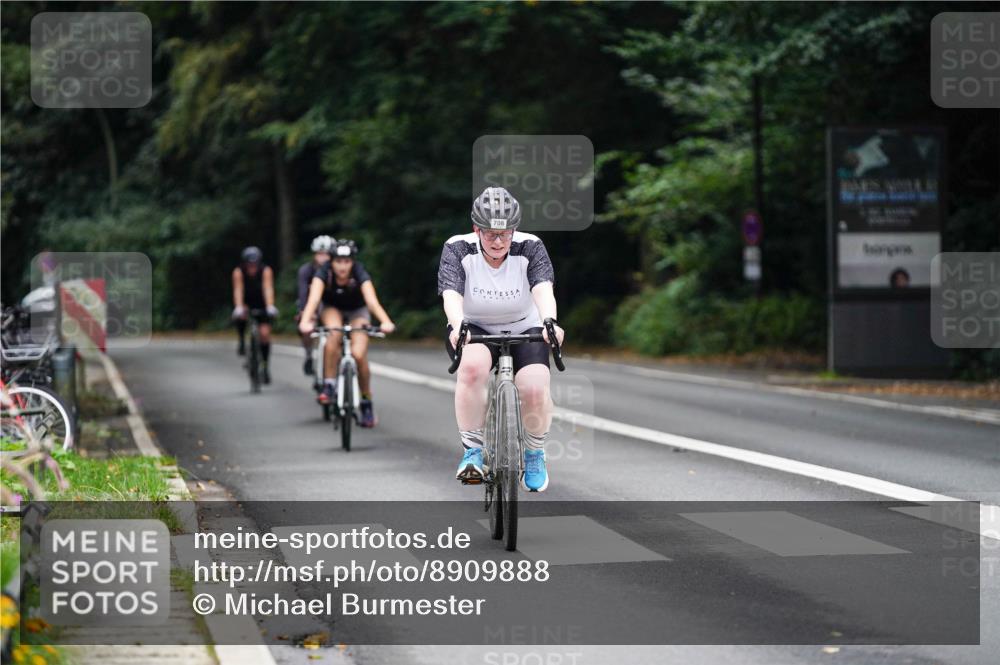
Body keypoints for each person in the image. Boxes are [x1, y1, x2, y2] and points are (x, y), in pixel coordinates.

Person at [437, 186, 565, 492]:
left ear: (514, 230)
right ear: (476, 230)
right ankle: (472, 451)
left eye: (505, 234)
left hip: (524, 326)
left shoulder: (530, 246)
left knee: (534, 386)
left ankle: (534, 454)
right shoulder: (457, 248)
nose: (498, 241)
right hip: (475, 327)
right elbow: (451, 293)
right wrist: (458, 325)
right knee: (472, 370)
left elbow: (543, 288)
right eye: (490, 234)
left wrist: (549, 321)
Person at [298, 239, 396, 427]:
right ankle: (329, 384)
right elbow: (314, 299)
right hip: (332, 308)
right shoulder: (324, 272)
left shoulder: (359, 271)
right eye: (338, 261)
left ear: (352, 262)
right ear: (331, 261)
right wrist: (305, 321)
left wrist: (385, 321)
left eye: (347, 261)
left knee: (358, 354)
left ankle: (366, 402)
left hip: (357, 311)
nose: (342, 266)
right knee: (333, 333)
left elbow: (371, 301)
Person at [231, 246, 278, 383]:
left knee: (264, 334)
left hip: (262, 302)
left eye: (254, 264)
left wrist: (270, 305)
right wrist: (239, 306)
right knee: (241, 315)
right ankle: (241, 340)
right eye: (249, 264)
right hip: (246, 301)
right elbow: (238, 289)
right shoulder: (238, 272)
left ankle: (265, 365)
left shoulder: (265, 270)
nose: (252, 268)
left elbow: (268, 288)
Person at [296, 235, 335, 375]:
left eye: (326, 254)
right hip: (311, 305)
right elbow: (303, 293)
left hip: (331, 306)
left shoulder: (337, 269)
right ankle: (308, 354)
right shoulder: (306, 270)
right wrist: (305, 312)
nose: (323, 258)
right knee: (306, 326)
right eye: (319, 254)